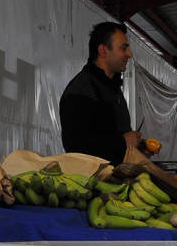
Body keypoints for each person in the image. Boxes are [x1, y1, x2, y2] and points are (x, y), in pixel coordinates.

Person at [59, 22, 138, 164]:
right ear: (103, 51)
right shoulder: (80, 90)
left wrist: (137, 147)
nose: (129, 54)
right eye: (123, 48)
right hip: (93, 184)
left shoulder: (113, 90)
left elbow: (115, 136)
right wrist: (123, 142)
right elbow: (76, 148)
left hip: (118, 180)